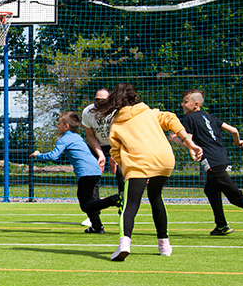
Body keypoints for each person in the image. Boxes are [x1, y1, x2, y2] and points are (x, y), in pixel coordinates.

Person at [94, 82, 203, 261]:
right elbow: (171, 119)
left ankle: (124, 244)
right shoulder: (149, 112)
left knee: (130, 204)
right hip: (164, 161)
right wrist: (189, 143)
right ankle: (164, 244)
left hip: (138, 164)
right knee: (156, 197)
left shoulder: (116, 123)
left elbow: (115, 151)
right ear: (135, 98)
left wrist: (128, 169)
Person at [173, 89, 243, 237]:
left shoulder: (190, 118)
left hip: (213, 162)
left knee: (235, 197)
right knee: (210, 190)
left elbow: (187, 142)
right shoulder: (211, 117)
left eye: (185, 102)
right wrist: (237, 142)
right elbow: (234, 130)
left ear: (196, 104)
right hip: (221, 157)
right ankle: (221, 226)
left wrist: (174, 139)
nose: (182, 105)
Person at [31, 112, 120, 233]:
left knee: (86, 205)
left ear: (66, 126)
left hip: (86, 174)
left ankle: (115, 199)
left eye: (59, 124)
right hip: (95, 171)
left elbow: (53, 156)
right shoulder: (77, 137)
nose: (57, 126)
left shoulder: (65, 139)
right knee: (91, 201)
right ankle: (97, 227)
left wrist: (38, 155)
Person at [81, 88, 125, 230]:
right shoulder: (88, 112)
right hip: (98, 146)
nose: (98, 103)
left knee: (122, 175)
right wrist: (100, 155)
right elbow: (90, 135)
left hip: (118, 145)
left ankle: (124, 213)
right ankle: (93, 217)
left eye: (103, 100)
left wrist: (114, 155)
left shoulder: (117, 111)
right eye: (96, 100)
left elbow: (121, 134)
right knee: (90, 177)